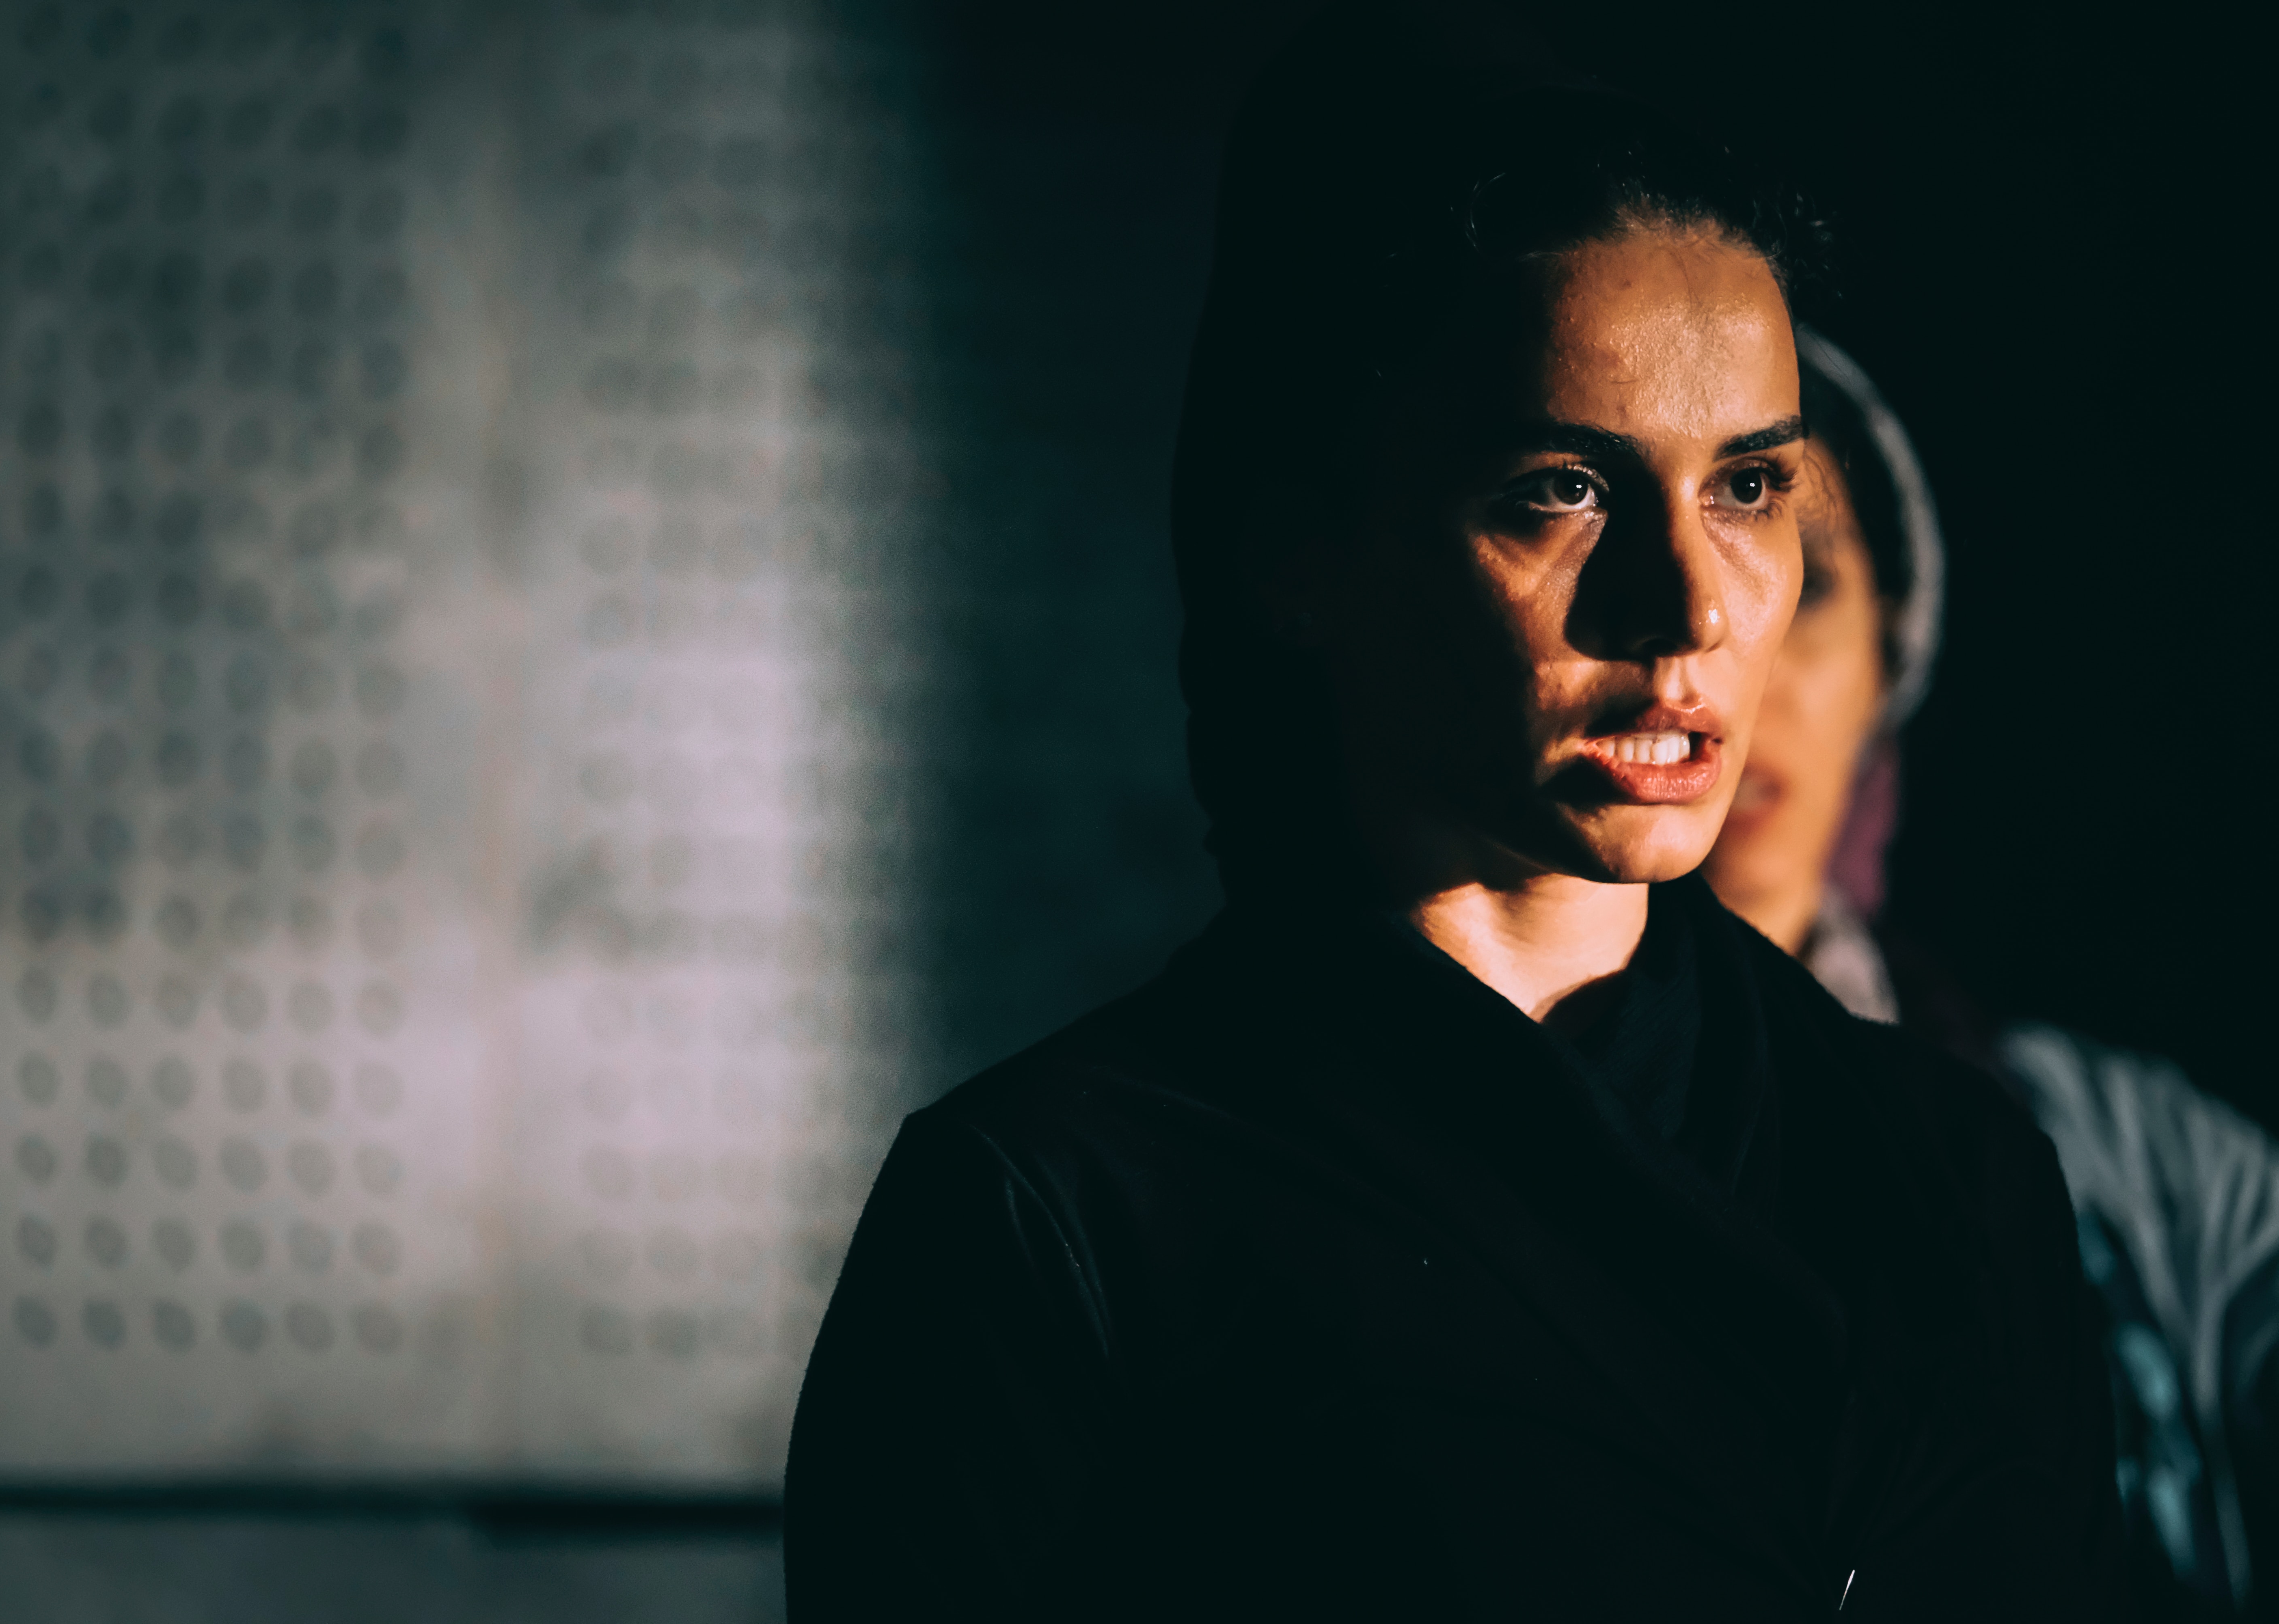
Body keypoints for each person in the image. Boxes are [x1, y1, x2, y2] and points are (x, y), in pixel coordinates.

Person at [786, 7, 2123, 1617]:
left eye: (1750, 486)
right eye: (1563, 488)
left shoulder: (1958, 1171)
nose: (1691, 606)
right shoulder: (1059, 1217)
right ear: (1296, 546)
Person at [1704, 329, 2279, 1618]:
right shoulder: (1435, 1160)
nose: (1730, 654)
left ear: (1890, 656)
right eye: (1674, 569)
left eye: (1809, 581)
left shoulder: (2131, 1163)